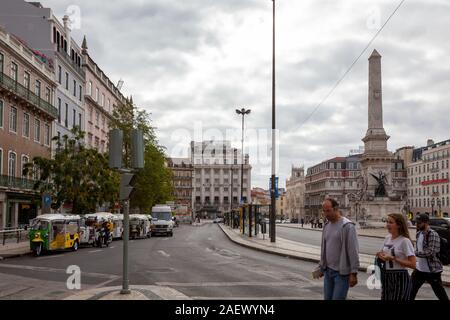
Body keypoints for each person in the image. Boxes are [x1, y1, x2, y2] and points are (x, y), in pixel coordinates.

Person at [313, 198, 359, 300]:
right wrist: (321, 267)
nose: (326, 214)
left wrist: (354, 273)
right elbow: (324, 248)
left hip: (341, 273)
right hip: (328, 271)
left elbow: (353, 251)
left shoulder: (347, 226)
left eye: (328, 211)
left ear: (336, 209)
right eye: (324, 211)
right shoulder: (326, 225)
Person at [376, 213, 416, 301]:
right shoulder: (387, 238)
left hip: (400, 276)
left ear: (399, 225)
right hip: (386, 276)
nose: (387, 224)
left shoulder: (405, 241)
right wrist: (380, 255)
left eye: (391, 222)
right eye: (387, 222)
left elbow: (413, 264)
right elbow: (381, 253)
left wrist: (394, 259)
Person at [410, 213, 449, 300]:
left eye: (420, 223)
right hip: (420, 270)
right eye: (417, 222)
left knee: (441, 295)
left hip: (432, 271)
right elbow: (419, 248)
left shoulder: (432, 234)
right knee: (410, 292)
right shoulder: (419, 233)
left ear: (426, 222)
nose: (417, 224)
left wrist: (414, 253)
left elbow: (430, 252)